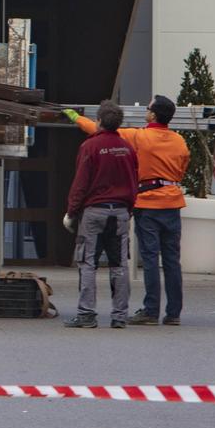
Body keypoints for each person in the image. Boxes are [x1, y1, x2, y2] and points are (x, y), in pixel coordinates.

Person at [68, 95, 189, 325]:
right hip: (173, 203)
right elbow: (182, 168)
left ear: (153, 115)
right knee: (172, 260)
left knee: (151, 258)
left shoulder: (138, 136)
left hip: (148, 203)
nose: (146, 109)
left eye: (148, 107)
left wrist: (76, 118)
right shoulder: (179, 141)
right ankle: (173, 313)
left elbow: (99, 131)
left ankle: (151, 311)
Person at [62, 100, 136, 329]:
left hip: (95, 212)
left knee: (87, 263)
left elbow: (81, 184)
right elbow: (134, 182)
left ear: (100, 121)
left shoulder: (90, 147)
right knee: (119, 265)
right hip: (121, 212)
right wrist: (129, 209)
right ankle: (119, 316)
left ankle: (86, 314)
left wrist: (71, 212)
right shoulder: (127, 148)